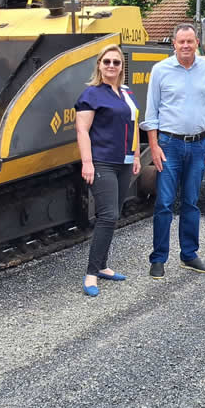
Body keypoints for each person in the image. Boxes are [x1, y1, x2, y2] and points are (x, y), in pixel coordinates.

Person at [140, 23, 205, 278]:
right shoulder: (160, 71)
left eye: (190, 41)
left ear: (197, 42)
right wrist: (153, 146)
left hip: (198, 145)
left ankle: (189, 255)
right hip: (169, 145)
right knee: (164, 203)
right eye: (181, 41)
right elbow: (151, 112)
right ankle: (158, 258)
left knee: (190, 202)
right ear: (173, 44)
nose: (185, 45)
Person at [74, 44, 141, 297]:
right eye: (107, 62)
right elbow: (82, 130)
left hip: (123, 162)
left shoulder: (126, 93)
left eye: (116, 62)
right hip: (102, 161)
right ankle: (92, 273)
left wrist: (135, 155)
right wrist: (87, 162)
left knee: (115, 213)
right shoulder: (91, 94)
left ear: (122, 67)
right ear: (99, 66)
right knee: (108, 215)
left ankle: (103, 266)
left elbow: (133, 125)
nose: (111, 66)